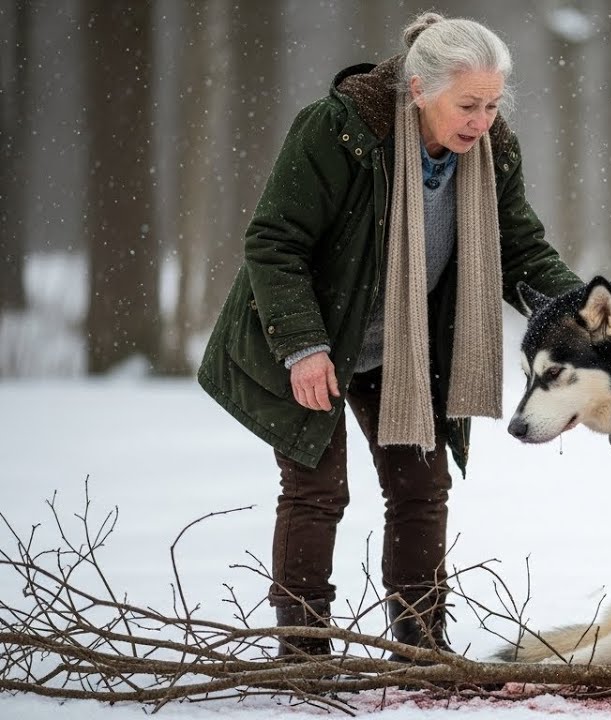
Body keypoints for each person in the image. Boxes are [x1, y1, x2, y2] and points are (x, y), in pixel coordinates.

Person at [197, 11, 581, 660]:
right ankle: (303, 649)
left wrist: (582, 324)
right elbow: (275, 242)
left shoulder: (492, 152)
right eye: (468, 105)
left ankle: (422, 640)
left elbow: (520, 250)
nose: (481, 121)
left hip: (406, 348)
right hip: (312, 336)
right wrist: (303, 346)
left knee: (421, 488)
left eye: (492, 105)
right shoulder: (340, 133)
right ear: (419, 89)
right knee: (318, 491)